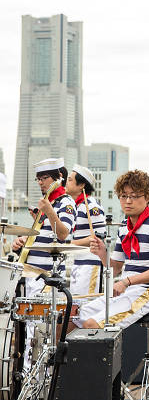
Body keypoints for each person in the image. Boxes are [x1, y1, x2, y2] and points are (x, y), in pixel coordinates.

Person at [75, 170, 149, 330]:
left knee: (92, 324)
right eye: (123, 196)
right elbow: (116, 267)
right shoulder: (124, 228)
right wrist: (102, 253)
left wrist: (127, 281)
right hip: (127, 291)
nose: (127, 201)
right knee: (75, 317)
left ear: (147, 197)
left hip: (148, 292)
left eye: (133, 196)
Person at [11, 158, 75, 369]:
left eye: (44, 178)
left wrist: (48, 212)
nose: (40, 183)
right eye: (38, 179)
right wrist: (22, 243)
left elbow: (64, 234)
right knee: (30, 330)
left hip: (47, 275)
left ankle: (37, 378)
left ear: (58, 177)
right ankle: (29, 375)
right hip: (31, 273)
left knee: (39, 331)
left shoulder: (65, 202)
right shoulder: (47, 204)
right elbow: (43, 238)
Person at [65, 164, 106, 296]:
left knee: (85, 305)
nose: (66, 182)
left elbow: (99, 237)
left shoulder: (92, 207)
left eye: (70, 180)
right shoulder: (77, 205)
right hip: (78, 262)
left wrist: (70, 245)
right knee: (76, 305)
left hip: (90, 264)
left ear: (82, 185)